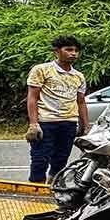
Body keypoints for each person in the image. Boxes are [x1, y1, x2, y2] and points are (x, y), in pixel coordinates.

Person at [25, 36, 89, 183]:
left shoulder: (78, 76)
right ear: (57, 51)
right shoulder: (42, 70)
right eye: (69, 50)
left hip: (69, 123)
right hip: (46, 122)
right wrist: (33, 124)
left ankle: (53, 185)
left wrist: (85, 126)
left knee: (61, 159)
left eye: (76, 50)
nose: (73, 53)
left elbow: (81, 101)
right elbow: (32, 97)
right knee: (40, 158)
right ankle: (35, 189)